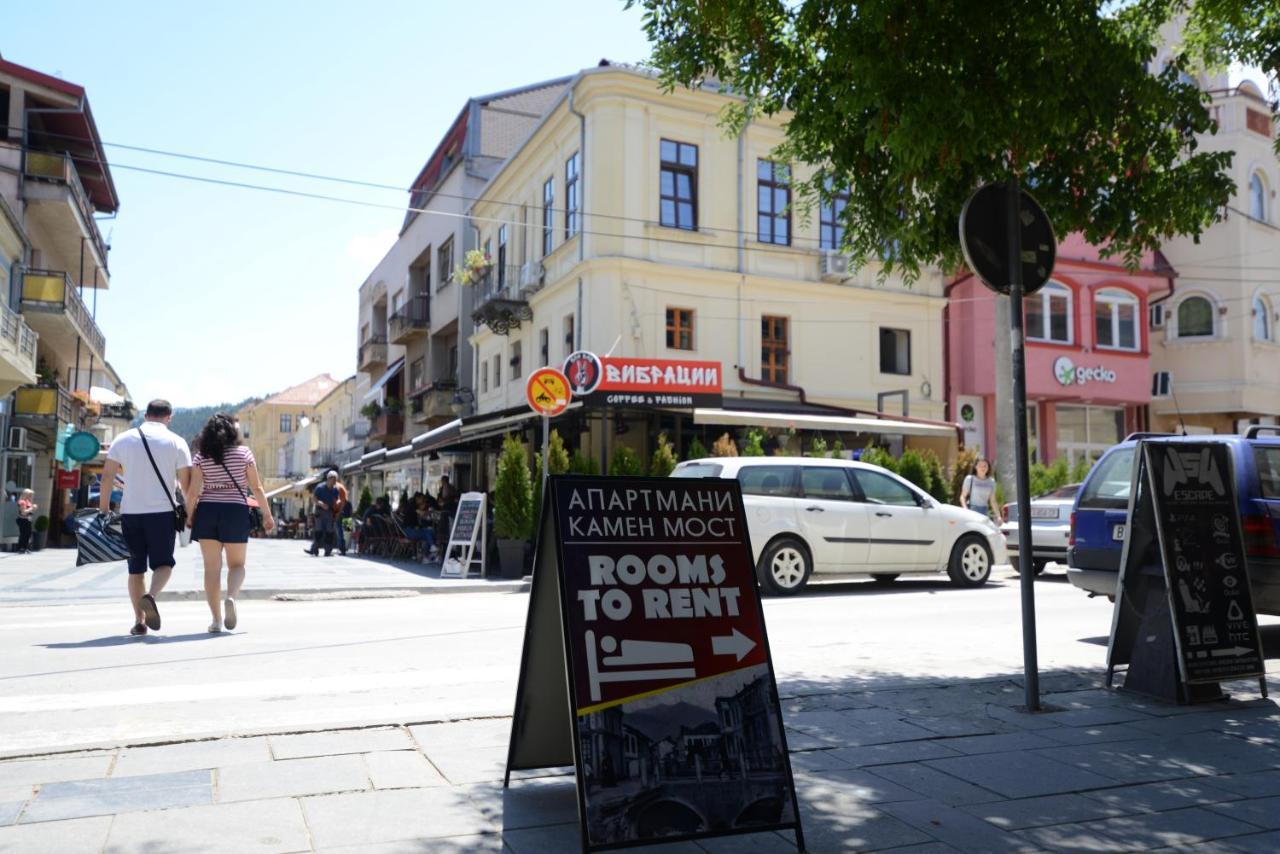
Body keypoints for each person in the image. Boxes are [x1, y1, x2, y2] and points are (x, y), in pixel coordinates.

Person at [99, 399, 192, 637]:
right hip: (162, 514)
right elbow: (186, 484)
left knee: (135, 569)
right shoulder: (177, 442)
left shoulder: (123, 439)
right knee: (164, 564)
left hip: (130, 513)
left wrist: (104, 509)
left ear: (146, 415)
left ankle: (139, 622)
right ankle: (150, 596)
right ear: (169, 417)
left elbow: (108, 476)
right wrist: (190, 511)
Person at [185, 414, 275, 633]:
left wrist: (189, 516)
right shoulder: (244, 454)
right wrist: (267, 515)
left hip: (207, 511)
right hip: (235, 510)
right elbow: (257, 488)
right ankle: (232, 598)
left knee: (211, 569)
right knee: (237, 565)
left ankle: (216, 620)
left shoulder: (201, 456)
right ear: (233, 432)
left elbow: (193, 492)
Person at [307, 471, 341, 557]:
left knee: (330, 532)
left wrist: (337, 503)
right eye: (333, 480)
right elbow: (314, 499)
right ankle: (314, 549)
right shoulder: (320, 487)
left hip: (329, 512)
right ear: (328, 479)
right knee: (318, 531)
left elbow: (337, 499)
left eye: (335, 480)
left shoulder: (335, 489)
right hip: (320, 511)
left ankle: (328, 551)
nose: (334, 482)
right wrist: (321, 504)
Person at [333, 478, 350, 556]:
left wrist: (338, 512)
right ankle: (345, 547)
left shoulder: (337, 487)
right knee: (347, 531)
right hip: (347, 509)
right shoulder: (342, 487)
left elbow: (339, 501)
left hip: (342, 510)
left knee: (339, 530)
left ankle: (342, 548)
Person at [16, 488, 36, 553]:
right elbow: (23, 512)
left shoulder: (27, 501)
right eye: (30, 495)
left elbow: (29, 511)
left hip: (27, 519)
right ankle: (21, 548)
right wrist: (32, 508)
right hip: (22, 519)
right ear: (26, 495)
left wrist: (33, 508)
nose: (31, 496)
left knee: (28, 534)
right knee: (23, 534)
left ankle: (25, 547)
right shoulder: (22, 502)